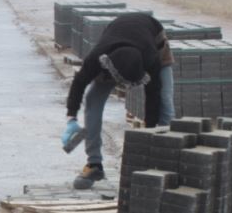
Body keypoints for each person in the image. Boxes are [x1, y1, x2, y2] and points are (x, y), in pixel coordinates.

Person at [63, 13, 176, 189]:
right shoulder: (98, 57)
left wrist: (150, 137)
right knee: (92, 99)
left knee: (165, 101)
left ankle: (164, 162)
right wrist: (71, 117)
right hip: (116, 38)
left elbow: (153, 98)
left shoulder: (151, 57)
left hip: (152, 35)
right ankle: (94, 164)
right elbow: (79, 84)